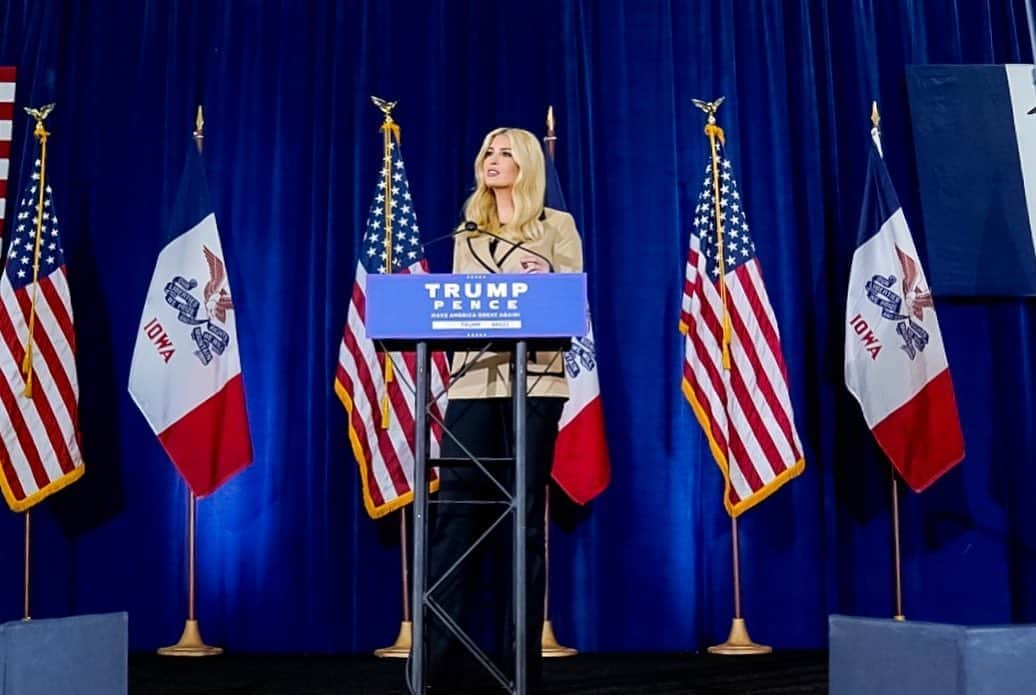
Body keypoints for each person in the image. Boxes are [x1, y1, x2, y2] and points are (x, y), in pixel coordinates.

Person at [426, 127, 583, 692]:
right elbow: (460, 310)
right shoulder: (467, 233)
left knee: (523, 526)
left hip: (535, 384)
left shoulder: (557, 227)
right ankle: (437, 663)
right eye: (487, 152)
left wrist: (547, 280)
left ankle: (521, 667)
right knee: (455, 520)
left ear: (527, 165)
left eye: (504, 153)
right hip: (472, 387)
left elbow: (573, 303)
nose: (492, 161)